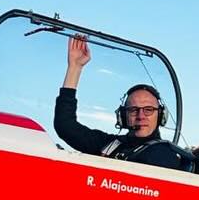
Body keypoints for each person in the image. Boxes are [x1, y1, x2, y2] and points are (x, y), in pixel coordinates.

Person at [55, 35, 191, 170]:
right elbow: (65, 126)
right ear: (122, 116)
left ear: (161, 116)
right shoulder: (111, 144)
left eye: (148, 110)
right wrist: (75, 67)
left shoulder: (164, 154)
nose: (141, 116)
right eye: (133, 110)